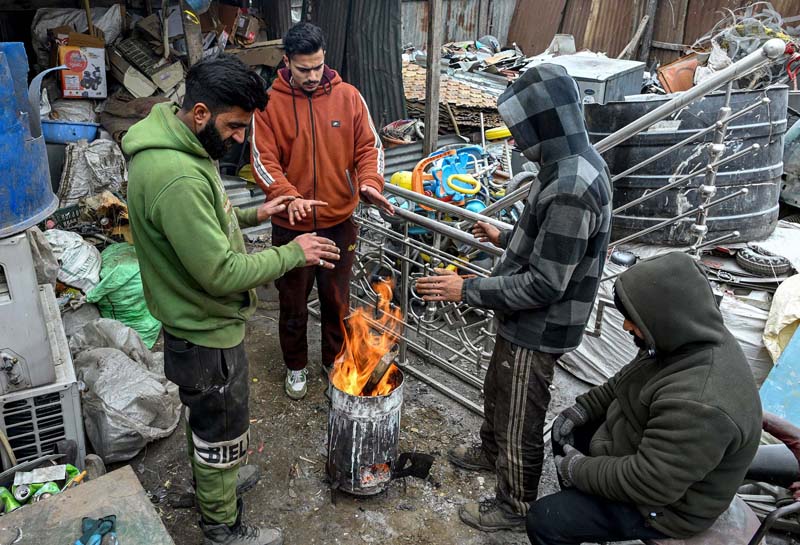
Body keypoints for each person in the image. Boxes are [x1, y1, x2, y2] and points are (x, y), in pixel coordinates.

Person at [124, 55, 341, 545]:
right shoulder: (176, 176)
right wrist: (293, 251)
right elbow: (221, 271)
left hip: (192, 325)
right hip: (205, 332)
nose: (241, 139)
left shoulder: (173, 146)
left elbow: (205, 223)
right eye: (235, 127)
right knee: (220, 427)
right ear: (200, 113)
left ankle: (211, 485)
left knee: (208, 421)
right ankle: (223, 525)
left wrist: (256, 212)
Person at [415, 64, 612, 531]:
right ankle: (490, 452)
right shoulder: (563, 164)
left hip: (540, 326)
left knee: (523, 411)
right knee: (500, 391)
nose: (516, 140)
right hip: (520, 317)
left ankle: (515, 505)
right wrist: (506, 235)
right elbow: (548, 245)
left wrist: (466, 288)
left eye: (523, 128)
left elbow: (546, 283)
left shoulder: (571, 186)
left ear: (545, 122)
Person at [529, 252, 762, 545]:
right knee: (566, 432)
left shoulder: (700, 402)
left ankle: (582, 513)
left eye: (631, 320)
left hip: (666, 507)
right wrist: (583, 409)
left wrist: (579, 470)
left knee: (545, 520)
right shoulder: (679, 335)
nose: (627, 326)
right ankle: (584, 504)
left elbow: (650, 482)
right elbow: (627, 380)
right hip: (645, 452)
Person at [250, 22, 393, 401]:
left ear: (324, 58)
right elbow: (263, 161)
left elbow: (369, 147)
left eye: (317, 67)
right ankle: (295, 366)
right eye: (303, 69)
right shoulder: (269, 103)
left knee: (337, 301)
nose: (312, 76)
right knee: (293, 301)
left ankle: (334, 363)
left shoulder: (348, 97)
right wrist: (287, 195)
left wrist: (369, 183)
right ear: (287, 62)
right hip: (291, 226)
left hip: (338, 224)